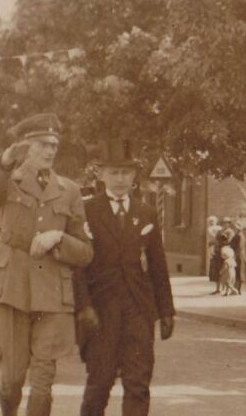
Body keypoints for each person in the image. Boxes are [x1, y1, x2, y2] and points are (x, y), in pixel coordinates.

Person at [0, 113, 94, 416]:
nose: (50, 150)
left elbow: (85, 251)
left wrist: (58, 238)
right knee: (13, 377)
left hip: (53, 290)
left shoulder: (69, 190)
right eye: (42, 144)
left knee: (44, 378)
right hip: (11, 287)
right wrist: (5, 158)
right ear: (25, 146)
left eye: (54, 144)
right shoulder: (7, 182)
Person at [76, 139, 175, 416]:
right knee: (99, 384)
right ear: (102, 174)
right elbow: (79, 266)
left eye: (125, 173)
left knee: (138, 384)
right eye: (114, 173)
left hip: (138, 310)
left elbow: (158, 266)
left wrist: (166, 311)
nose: (120, 179)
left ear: (133, 175)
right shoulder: (88, 210)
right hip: (101, 311)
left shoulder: (146, 213)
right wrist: (83, 307)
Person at [230, 218, 246, 294]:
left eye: (236, 227)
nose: (235, 228)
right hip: (238, 254)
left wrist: (235, 255)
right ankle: (236, 289)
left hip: (239, 255)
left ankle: (238, 289)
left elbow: (239, 247)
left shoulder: (239, 236)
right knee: (237, 272)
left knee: (239, 272)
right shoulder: (237, 235)